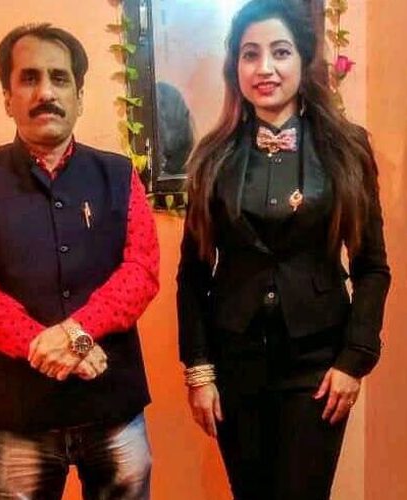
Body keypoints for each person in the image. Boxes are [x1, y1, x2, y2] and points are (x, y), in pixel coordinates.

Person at [177, 1, 390, 499]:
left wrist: (354, 359)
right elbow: (192, 274)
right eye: (250, 54)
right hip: (235, 364)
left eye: (280, 52)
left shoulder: (347, 148)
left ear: (302, 59)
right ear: (235, 66)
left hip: (317, 366)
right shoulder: (212, 156)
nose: (265, 68)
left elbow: (372, 267)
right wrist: (199, 370)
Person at [0, 23, 159, 500]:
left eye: (59, 78)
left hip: (114, 407)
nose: (45, 92)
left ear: (79, 96)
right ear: (8, 98)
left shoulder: (119, 174)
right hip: (19, 415)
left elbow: (142, 270)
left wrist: (76, 334)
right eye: (29, 78)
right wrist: (39, 343)